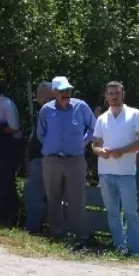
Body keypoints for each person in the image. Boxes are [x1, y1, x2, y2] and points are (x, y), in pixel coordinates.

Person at [92, 81, 139, 256]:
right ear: (106, 96)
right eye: (110, 93)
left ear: (122, 94)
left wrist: (123, 151)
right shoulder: (102, 118)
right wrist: (100, 151)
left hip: (126, 172)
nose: (114, 96)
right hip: (105, 172)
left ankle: (136, 251)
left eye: (117, 93)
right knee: (112, 213)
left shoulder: (135, 114)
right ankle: (120, 247)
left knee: (131, 213)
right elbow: (95, 144)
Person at [37, 76, 94, 247]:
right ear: (54, 92)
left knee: (76, 198)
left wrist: (82, 143)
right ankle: (56, 233)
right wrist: (50, 145)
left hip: (74, 160)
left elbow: (93, 127)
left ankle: (80, 236)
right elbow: (41, 133)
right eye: (62, 91)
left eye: (68, 90)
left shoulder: (81, 107)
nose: (66, 93)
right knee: (53, 196)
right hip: (52, 160)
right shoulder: (46, 110)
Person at [0, 79, 24, 227]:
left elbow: (15, 127)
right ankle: (4, 214)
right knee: (2, 180)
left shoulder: (6, 104)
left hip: (10, 146)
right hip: (2, 146)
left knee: (4, 180)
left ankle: (8, 216)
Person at [23, 82, 54, 235]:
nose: (37, 94)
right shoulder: (45, 110)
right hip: (38, 159)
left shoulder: (50, 111)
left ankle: (32, 228)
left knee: (33, 194)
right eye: (37, 91)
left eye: (42, 92)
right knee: (40, 194)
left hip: (43, 159)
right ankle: (44, 227)